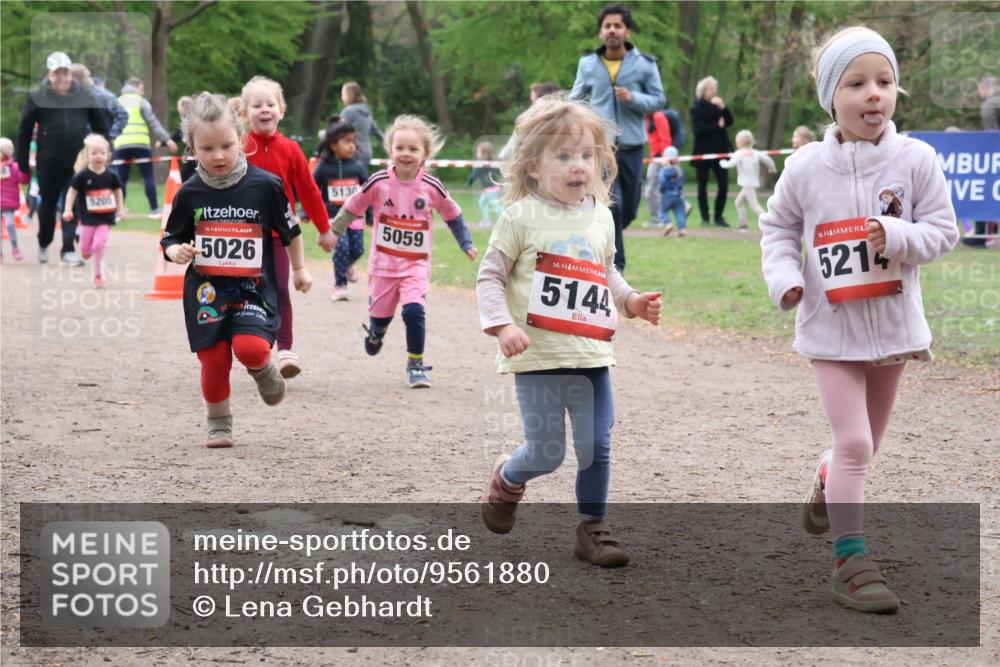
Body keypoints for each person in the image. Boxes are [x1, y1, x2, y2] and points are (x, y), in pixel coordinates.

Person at [759, 26, 958, 613]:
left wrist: (895, 234)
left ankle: (827, 480)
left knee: (862, 448)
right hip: (830, 329)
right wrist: (786, 280)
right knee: (853, 442)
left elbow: (943, 233)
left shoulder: (915, 159)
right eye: (857, 83)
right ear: (830, 98)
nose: (875, 94)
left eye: (885, 81)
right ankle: (851, 562)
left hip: (893, 331)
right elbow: (776, 230)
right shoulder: (803, 168)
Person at [475, 96, 662, 567]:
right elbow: (490, 276)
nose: (578, 166)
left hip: (591, 354)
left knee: (597, 445)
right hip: (538, 356)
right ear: (533, 166)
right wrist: (501, 326)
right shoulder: (519, 217)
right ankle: (509, 478)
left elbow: (607, 272)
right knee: (547, 452)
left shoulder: (600, 215)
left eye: (586, 155)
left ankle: (592, 527)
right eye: (563, 156)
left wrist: (632, 301)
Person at [161, 92, 313, 449]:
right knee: (213, 360)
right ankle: (218, 421)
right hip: (206, 290)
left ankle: (263, 369)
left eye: (226, 145)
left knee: (251, 348)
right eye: (207, 148)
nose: (218, 155)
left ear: (241, 140)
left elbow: (290, 231)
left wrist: (300, 269)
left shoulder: (265, 186)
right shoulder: (190, 192)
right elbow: (170, 236)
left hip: (252, 288)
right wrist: (175, 250)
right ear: (192, 148)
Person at [327, 115, 477, 389]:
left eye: (413, 149)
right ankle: (376, 331)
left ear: (425, 154)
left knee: (413, 311)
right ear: (391, 151)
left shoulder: (431, 186)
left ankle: (416, 363)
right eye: (400, 148)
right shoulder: (379, 182)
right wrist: (334, 232)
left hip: (415, 265)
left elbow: (453, 214)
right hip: (383, 266)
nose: (406, 154)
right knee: (380, 317)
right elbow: (353, 206)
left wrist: (465, 243)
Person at [242, 76, 337, 378]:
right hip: (243, 237)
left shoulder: (291, 149)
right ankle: (257, 346)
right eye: (257, 105)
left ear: (281, 110)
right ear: (245, 114)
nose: (264, 109)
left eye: (270, 104)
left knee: (281, 288)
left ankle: (285, 350)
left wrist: (324, 228)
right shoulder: (238, 147)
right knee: (249, 292)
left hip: (278, 237)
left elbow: (309, 191)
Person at [570, 3, 666, 271]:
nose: (612, 30)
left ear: (627, 31)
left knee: (631, 207)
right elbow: (575, 100)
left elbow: (659, 101)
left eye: (617, 26)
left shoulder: (645, 65)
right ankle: (616, 266)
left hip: (632, 145)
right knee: (612, 204)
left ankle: (603, 236)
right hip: (600, 146)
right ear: (601, 32)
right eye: (607, 26)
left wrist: (633, 98)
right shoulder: (588, 64)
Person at [16, 51, 109, 265]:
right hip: (48, 162)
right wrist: (22, 164)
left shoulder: (84, 94)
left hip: (77, 162)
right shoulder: (38, 95)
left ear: (70, 73)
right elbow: (24, 129)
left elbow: (100, 125)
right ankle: (44, 241)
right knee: (47, 206)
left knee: (72, 205)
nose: (62, 77)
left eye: (65, 72)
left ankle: (68, 250)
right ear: (50, 74)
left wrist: (102, 151)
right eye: (57, 73)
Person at [313, 116, 370, 301]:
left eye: (353, 142)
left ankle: (346, 266)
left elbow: (369, 192)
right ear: (333, 145)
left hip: (355, 218)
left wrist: (370, 215)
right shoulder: (323, 168)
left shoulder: (358, 167)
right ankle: (340, 285)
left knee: (358, 249)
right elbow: (311, 190)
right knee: (342, 248)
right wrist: (306, 212)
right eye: (347, 142)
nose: (352, 146)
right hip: (333, 217)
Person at [61, 134, 124, 287]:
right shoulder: (82, 176)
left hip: (105, 218)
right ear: (87, 155)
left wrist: (120, 209)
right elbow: (72, 192)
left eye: (102, 153)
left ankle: (98, 276)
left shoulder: (111, 175)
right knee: (85, 247)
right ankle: (85, 249)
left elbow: (118, 191)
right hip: (87, 219)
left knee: (99, 245)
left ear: (107, 156)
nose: (98, 156)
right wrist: (67, 209)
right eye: (94, 153)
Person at [114, 77, 176, 218]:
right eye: (142, 88)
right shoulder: (141, 102)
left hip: (121, 144)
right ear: (135, 86)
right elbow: (154, 123)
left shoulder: (117, 102)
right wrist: (168, 139)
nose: (143, 91)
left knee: (120, 179)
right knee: (148, 176)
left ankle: (119, 211)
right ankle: (154, 209)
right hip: (141, 143)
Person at [689, 75, 734, 227]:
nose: (714, 91)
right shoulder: (696, 108)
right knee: (702, 186)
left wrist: (723, 107)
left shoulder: (718, 106)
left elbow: (729, 121)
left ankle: (719, 217)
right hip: (703, 152)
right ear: (703, 90)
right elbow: (699, 130)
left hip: (721, 151)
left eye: (715, 88)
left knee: (724, 185)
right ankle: (705, 217)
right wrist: (717, 126)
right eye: (711, 88)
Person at [720, 129, 776, 232]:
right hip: (750, 183)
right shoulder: (755, 152)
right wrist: (772, 168)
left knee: (754, 204)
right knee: (738, 202)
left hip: (747, 183)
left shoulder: (739, 153)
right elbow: (768, 159)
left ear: (739, 142)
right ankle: (743, 226)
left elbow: (730, 164)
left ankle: (770, 223)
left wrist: (722, 163)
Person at [69, 65, 127, 141]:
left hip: (99, 146)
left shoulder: (104, 96)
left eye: (87, 76)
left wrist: (110, 135)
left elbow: (122, 115)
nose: (89, 79)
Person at [339, 82, 384, 167]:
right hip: (367, 154)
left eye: (343, 94)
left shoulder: (348, 111)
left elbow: (337, 131)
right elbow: (378, 132)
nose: (341, 97)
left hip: (352, 153)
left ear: (349, 95)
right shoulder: (367, 111)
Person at [0, 138, 30, 261]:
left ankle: (15, 248)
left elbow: (23, 179)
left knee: (10, 224)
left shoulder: (14, 167)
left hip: (9, 203)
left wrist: (26, 169)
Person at [467, 140, 503, 229]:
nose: (477, 154)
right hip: (492, 189)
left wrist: (470, 181)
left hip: (490, 189)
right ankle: (486, 220)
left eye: (478, 152)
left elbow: (474, 175)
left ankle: (506, 221)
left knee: (496, 205)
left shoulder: (480, 165)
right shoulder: (492, 164)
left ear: (484, 154)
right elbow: (499, 173)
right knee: (482, 202)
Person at [657, 146, 687, 236]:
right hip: (679, 195)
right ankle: (682, 229)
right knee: (680, 213)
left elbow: (662, 182)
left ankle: (668, 224)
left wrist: (661, 190)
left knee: (663, 211)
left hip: (667, 194)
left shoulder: (663, 170)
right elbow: (682, 181)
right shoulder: (680, 170)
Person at [170, 96, 198, 183]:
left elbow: (181, 136)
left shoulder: (189, 119)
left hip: (192, 154)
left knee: (184, 178)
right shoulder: (191, 118)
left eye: (178, 105)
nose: (177, 108)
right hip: (192, 153)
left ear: (183, 106)